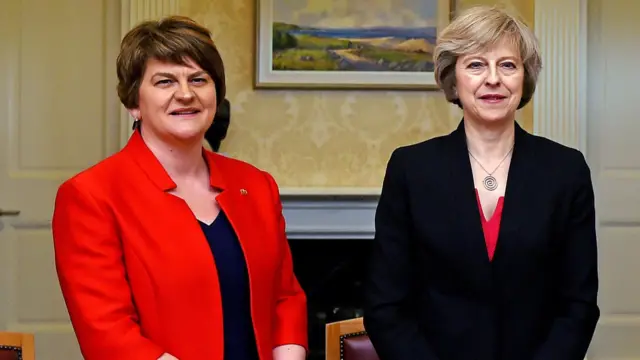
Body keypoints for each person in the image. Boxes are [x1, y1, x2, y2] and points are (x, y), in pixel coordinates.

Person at [51, 16, 307, 360]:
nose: (185, 94)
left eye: (198, 79)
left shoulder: (256, 185)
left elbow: (284, 296)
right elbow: (107, 332)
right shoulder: (90, 196)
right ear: (133, 103)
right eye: (165, 81)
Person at [363, 5, 599, 360]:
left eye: (507, 65)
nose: (493, 79)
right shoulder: (411, 168)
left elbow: (578, 306)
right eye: (475, 64)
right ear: (452, 78)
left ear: (525, 77)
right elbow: (386, 305)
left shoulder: (566, 170)